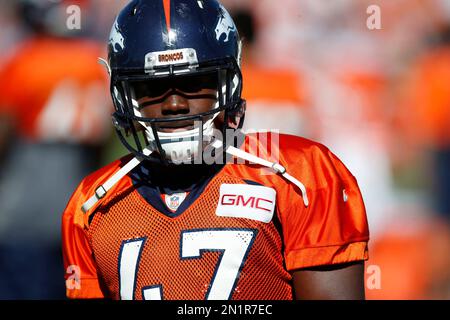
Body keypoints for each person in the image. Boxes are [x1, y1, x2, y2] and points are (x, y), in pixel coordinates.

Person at [62, 0, 369, 300]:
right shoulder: (92, 206)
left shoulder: (300, 176)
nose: (174, 105)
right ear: (123, 96)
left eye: (194, 83)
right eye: (151, 88)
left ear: (228, 84)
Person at [0, 0, 111, 299]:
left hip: (26, 206)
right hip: (81, 207)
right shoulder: (97, 62)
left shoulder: (25, 61)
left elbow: (4, 133)